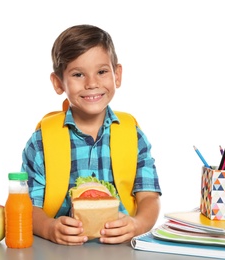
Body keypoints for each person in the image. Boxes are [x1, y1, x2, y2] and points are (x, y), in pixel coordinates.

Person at [21, 24, 161, 246]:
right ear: (58, 83)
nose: (92, 83)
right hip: (60, 251)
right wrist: (48, 229)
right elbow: (29, 206)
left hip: (122, 249)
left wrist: (138, 225)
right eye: (78, 74)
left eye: (102, 72)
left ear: (117, 75)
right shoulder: (41, 142)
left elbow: (149, 196)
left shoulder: (133, 135)